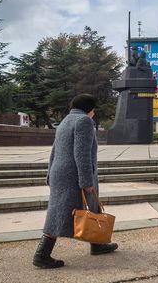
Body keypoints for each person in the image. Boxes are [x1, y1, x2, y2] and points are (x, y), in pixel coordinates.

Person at [33, 94, 118, 269]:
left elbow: (54, 150)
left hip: (60, 173)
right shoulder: (84, 122)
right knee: (60, 213)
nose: (94, 113)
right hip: (74, 176)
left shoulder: (65, 121)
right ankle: (42, 255)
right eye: (94, 109)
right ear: (89, 108)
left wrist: (49, 174)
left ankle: (97, 244)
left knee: (87, 208)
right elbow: (82, 154)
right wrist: (86, 181)